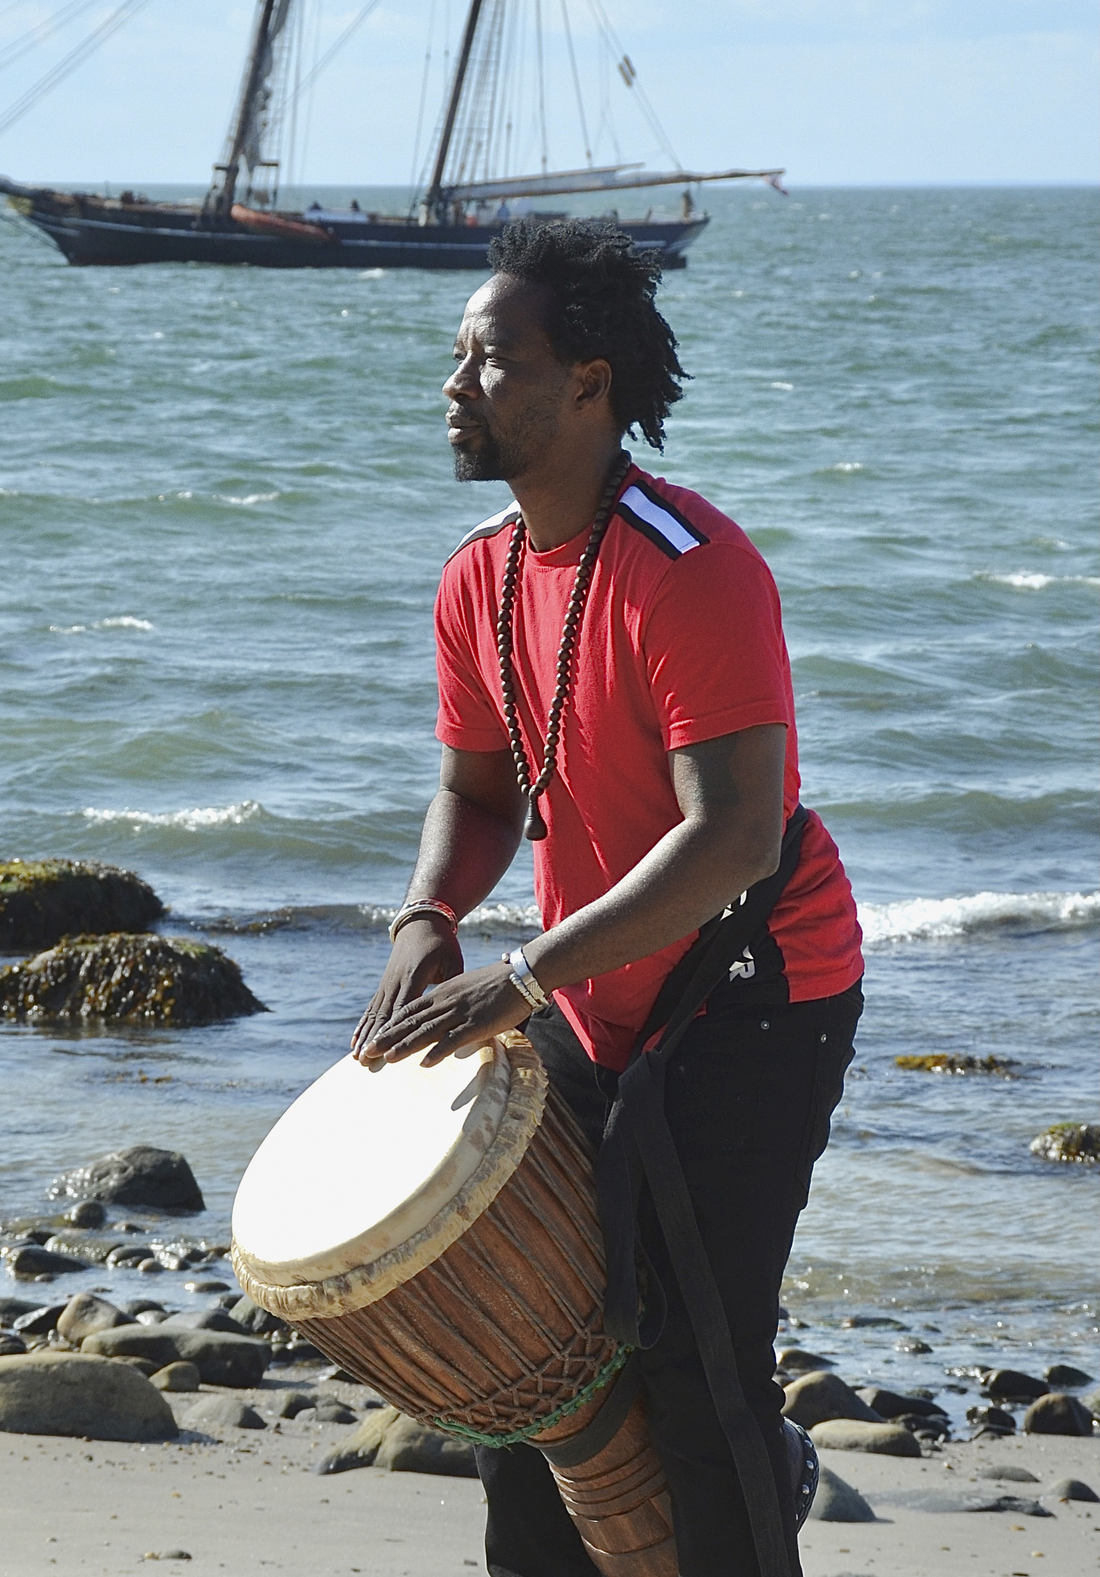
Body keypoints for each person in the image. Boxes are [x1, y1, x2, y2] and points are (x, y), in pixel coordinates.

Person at [353, 217, 863, 1577]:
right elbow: (474, 794)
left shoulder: (687, 566)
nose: (455, 383)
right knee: (528, 1361)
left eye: (491, 357)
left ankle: (757, 1498)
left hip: (757, 995)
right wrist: (427, 920)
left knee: (700, 1362)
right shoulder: (481, 573)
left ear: (589, 382)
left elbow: (735, 838)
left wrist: (517, 978)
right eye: (458, 356)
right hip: (591, 996)